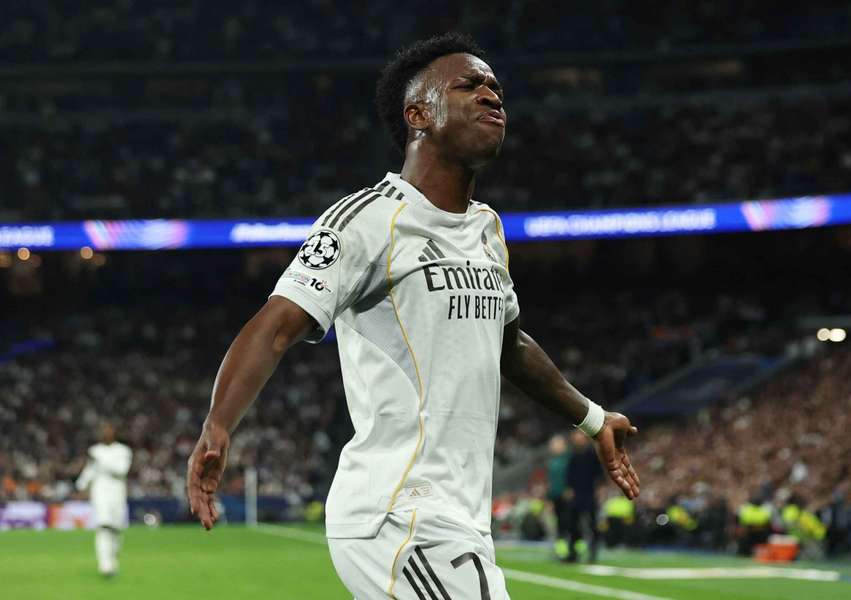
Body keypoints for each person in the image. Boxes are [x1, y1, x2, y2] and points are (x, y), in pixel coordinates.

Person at [186, 32, 640, 599]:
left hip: (460, 517)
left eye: (496, 87)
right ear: (418, 113)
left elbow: (510, 345)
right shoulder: (369, 219)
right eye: (470, 85)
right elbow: (277, 325)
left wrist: (593, 419)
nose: (492, 95)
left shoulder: (487, 230)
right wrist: (218, 424)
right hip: (399, 511)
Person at [75, 422, 133, 577]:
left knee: (116, 530)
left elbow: (122, 470)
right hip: (100, 493)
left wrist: (100, 460)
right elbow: (90, 470)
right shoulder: (95, 450)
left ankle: (113, 560)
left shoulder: (123, 450)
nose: (105, 433)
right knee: (103, 527)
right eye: (103, 430)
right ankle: (104, 565)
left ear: (114, 432)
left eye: (108, 430)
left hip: (117, 493)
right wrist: (80, 485)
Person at [563, 430, 605, 562]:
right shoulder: (573, 455)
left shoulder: (592, 454)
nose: (576, 439)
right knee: (573, 525)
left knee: (592, 524)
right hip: (576, 495)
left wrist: (599, 490)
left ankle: (592, 553)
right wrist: (569, 490)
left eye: (579, 436)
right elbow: (569, 475)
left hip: (589, 494)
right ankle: (573, 553)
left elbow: (599, 475)